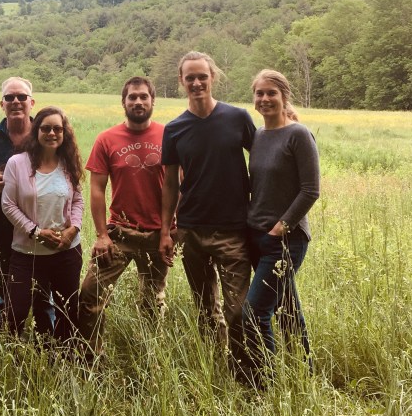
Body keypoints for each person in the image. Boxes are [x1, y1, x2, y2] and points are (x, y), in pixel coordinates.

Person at [159, 51, 256, 363]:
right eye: (190, 78)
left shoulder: (237, 118)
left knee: (238, 309)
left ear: (213, 77)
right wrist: (165, 231)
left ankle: (244, 370)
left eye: (202, 76)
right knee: (205, 307)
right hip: (192, 230)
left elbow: (264, 159)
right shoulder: (174, 129)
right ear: (181, 82)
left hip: (233, 229)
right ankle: (215, 364)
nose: (197, 83)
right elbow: (171, 183)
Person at [77, 76, 169, 356]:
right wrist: (102, 235)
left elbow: (180, 186)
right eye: (132, 97)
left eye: (143, 97)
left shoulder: (169, 136)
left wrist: (169, 232)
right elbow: (96, 189)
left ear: (153, 101)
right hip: (120, 232)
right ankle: (92, 357)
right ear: (124, 102)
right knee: (90, 294)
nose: (138, 102)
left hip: (157, 235)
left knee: (152, 300)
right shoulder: (107, 139)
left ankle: (151, 357)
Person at [241, 69, 320, 384]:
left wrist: (281, 227)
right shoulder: (259, 136)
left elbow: (310, 190)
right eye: (259, 94)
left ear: (284, 96)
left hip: (286, 240)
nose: (264, 99)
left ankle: (266, 384)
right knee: (287, 309)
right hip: (254, 236)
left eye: (271, 93)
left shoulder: (298, 134)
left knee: (254, 313)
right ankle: (305, 374)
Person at [0, 77, 52, 331]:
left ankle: (46, 341)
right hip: (1, 225)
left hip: (41, 224)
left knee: (42, 290)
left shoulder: (45, 132)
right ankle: (10, 342)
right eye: (9, 97)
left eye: (21, 97)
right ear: (1, 104)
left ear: (32, 102)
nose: (16, 101)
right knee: (6, 288)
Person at [1, 106, 84, 344]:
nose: (52, 133)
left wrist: (73, 229)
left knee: (67, 310)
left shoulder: (68, 164)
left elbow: (78, 199)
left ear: (64, 133)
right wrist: (35, 232)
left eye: (57, 128)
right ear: (36, 131)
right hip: (27, 253)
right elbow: (8, 205)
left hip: (66, 251)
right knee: (15, 312)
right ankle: (14, 357)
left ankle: (64, 356)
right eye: (46, 128)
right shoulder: (17, 163)